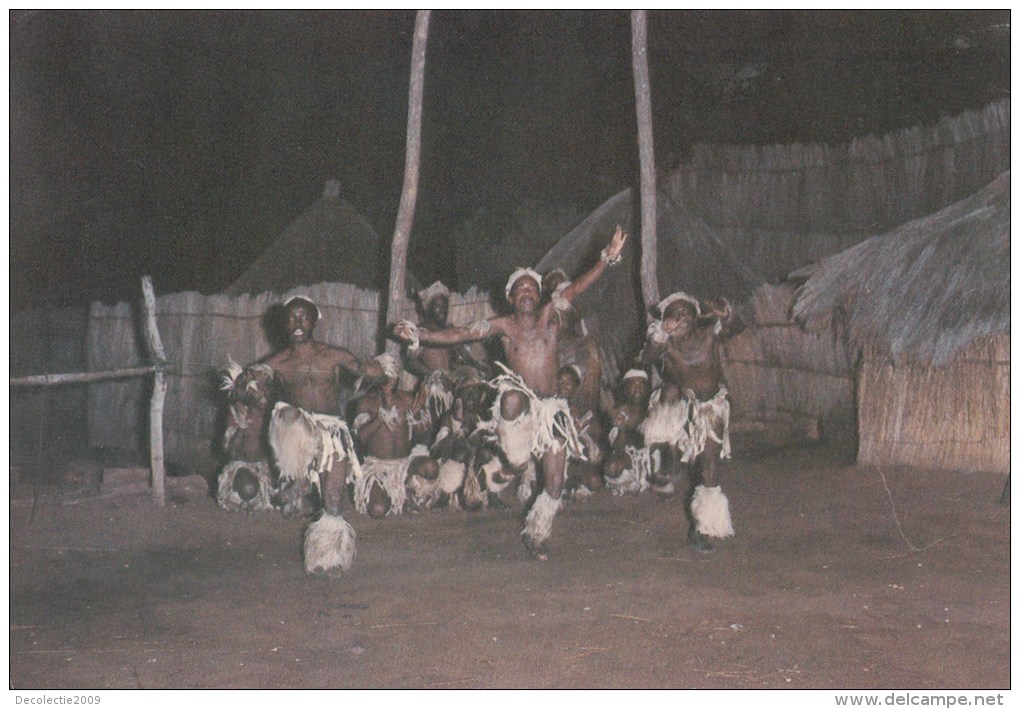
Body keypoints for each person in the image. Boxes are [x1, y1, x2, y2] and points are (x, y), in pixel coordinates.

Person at [392, 226, 627, 559]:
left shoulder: (550, 315)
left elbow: (576, 288)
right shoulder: (502, 326)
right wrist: (420, 335)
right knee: (512, 398)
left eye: (532, 287)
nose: (528, 292)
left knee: (555, 485)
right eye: (521, 289)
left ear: (540, 295)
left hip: (552, 410)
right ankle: (514, 458)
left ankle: (538, 532)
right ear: (511, 298)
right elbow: (459, 333)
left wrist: (605, 259)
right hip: (521, 406)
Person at [261, 295, 381, 577]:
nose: (298, 323)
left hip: (333, 433)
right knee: (287, 416)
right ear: (284, 323)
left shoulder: (335, 355)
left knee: (334, 500)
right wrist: (242, 383)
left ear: (314, 321)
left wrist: (376, 371)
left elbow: (371, 372)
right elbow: (250, 386)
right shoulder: (276, 363)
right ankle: (296, 480)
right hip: (299, 432)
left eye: (304, 316)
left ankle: (327, 558)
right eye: (292, 317)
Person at [636, 291, 739, 553]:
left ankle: (702, 528)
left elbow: (736, 329)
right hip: (680, 406)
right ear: (666, 320)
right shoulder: (665, 345)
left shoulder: (709, 336)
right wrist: (657, 337)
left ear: (696, 318)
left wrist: (727, 317)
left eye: (685, 312)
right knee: (670, 392)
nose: (680, 316)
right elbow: (644, 359)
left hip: (711, 408)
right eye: (674, 312)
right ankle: (665, 463)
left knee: (709, 467)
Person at [350, 354, 438, 518]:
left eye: (393, 376)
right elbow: (361, 438)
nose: (390, 381)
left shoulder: (408, 399)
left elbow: (422, 436)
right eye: (386, 377)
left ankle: (409, 490)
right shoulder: (366, 402)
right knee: (378, 510)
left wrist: (418, 417)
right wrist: (381, 416)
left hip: (405, 464)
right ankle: (392, 494)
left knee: (431, 467)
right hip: (377, 468)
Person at [216, 360, 278, 512]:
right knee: (248, 488)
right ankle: (238, 493)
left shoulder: (272, 414)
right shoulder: (237, 413)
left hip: (262, 468)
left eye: (266, 389)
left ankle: (258, 494)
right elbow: (228, 451)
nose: (264, 396)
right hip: (240, 466)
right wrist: (241, 427)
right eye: (260, 390)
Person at [556, 363, 605, 495]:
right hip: (555, 459)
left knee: (595, 482)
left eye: (568, 382)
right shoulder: (549, 407)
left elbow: (597, 434)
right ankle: (566, 485)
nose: (563, 385)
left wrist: (586, 428)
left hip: (575, 460)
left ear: (575, 387)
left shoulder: (581, 410)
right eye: (560, 381)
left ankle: (571, 484)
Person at [603, 368, 654, 496]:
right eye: (634, 385)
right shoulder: (620, 412)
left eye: (642, 385)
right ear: (626, 390)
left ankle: (647, 478)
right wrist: (621, 428)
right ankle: (634, 479)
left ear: (647, 390)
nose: (638, 389)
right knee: (612, 467)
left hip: (651, 457)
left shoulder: (653, 410)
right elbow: (619, 449)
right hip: (629, 457)